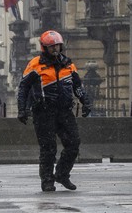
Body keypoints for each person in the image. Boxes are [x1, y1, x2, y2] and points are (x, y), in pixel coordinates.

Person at [17, 30, 92, 192]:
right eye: (51, 47)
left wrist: (85, 101)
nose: (55, 49)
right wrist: (21, 109)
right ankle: (47, 180)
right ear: (44, 48)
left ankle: (62, 174)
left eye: (57, 46)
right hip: (43, 112)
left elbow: (77, 86)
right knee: (48, 148)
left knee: (74, 143)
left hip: (64, 111)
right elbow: (23, 87)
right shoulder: (35, 64)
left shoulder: (69, 64)